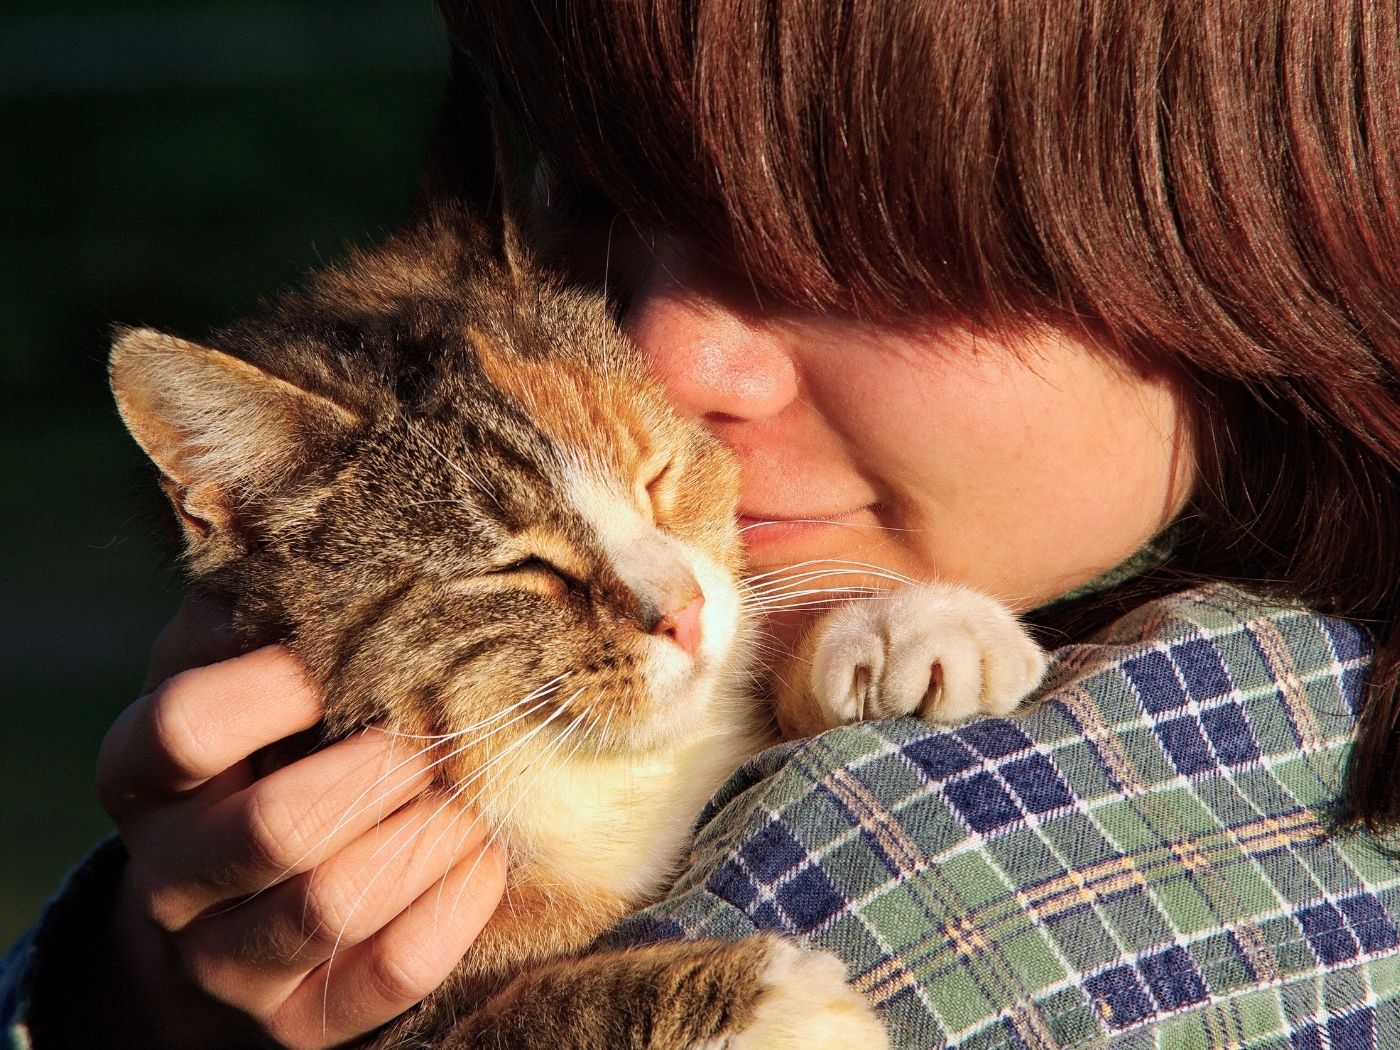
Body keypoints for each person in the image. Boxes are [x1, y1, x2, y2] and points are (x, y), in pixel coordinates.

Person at [6, 1, 1400, 1046]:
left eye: (843, 252)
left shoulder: (924, 897)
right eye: (602, 197)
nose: (661, 370)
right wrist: (134, 986)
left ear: (1250, 219)